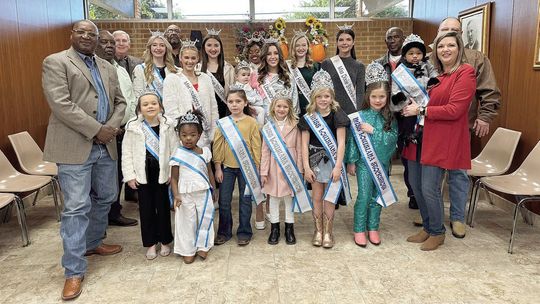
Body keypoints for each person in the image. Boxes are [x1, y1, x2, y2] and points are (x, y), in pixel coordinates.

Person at [42, 20, 126, 300]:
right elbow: (61, 104)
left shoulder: (107, 66)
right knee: (77, 207)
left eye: (92, 33)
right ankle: (73, 271)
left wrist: (110, 128)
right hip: (74, 146)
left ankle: (92, 243)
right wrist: (96, 130)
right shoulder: (56, 62)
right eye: (82, 32)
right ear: (72, 35)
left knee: (107, 196)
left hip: (105, 145)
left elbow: (121, 102)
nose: (87, 37)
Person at [403, 31, 476, 251]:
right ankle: (427, 225)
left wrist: (422, 109)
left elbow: (455, 110)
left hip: (440, 139)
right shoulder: (437, 76)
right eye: (441, 46)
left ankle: (437, 231)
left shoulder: (465, 73)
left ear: (459, 48)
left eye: (451, 45)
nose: (445, 49)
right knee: (416, 184)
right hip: (420, 137)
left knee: (429, 188)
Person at [429, 17, 502, 237]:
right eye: (444, 31)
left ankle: (458, 217)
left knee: (457, 174)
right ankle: (432, 213)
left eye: (454, 32)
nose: (448, 39)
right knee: (431, 176)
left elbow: (489, 90)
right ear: (437, 34)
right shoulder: (430, 60)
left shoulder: (475, 60)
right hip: (432, 128)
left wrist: (485, 116)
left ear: (461, 35)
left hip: (461, 127)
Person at [345, 62, 398, 247]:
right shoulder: (360, 115)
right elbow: (352, 139)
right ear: (368, 96)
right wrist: (351, 160)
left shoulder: (389, 117)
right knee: (364, 196)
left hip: (381, 163)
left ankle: (373, 227)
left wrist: (374, 131)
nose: (378, 100)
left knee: (378, 196)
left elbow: (393, 138)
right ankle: (359, 229)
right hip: (363, 164)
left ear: (387, 97)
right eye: (374, 96)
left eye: (381, 96)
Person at [122, 91, 177, 259]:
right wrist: (129, 175)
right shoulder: (133, 127)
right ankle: (151, 243)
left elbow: (174, 150)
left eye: (154, 103)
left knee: (163, 208)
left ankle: (165, 241)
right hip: (142, 175)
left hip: (162, 173)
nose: (150, 106)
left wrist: (172, 173)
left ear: (160, 106)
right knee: (145, 210)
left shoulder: (168, 126)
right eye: (145, 104)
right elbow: (127, 153)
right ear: (139, 109)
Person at [299, 70, 351, 249]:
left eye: (326, 96)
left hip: (332, 162)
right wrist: (306, 167)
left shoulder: (338, 115)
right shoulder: (308, 118)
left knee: (330, 197)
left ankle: (329, 231)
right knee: (317, 196)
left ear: (332, 97)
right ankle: (318, 230)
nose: (323, 99)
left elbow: (342, 143)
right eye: (319, 96)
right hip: (314, 161)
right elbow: (304, 145)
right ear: (314, 98)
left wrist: (338, 167)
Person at [95, 30, 138, 227]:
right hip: (107, 131)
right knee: (108, 178)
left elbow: (126, 99)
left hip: (124, 128)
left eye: (114, 42)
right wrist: (115, 126)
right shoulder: (95, 68)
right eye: (106, 42)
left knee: (118, 173)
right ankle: (109, 214)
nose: (111, 46)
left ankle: (114, 211)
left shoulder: (118, 69)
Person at [252, 39, 297, 229]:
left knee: (282, 172)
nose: (272, 57)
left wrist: (290, 126)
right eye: (269, 54)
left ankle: (282, 215)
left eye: (275, 53)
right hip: (265, 130)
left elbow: (294, 104)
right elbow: (251, 102)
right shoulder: (257, 78)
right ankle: (265, 209)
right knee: (266, 171)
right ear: (264, 56)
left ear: (280, 56)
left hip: (284, 131)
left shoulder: (288, 76)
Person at [374, 27, 418, 210]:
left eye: (396, 37)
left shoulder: (413, 62)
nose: (392, 40)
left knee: (408, 156)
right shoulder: (377, 64)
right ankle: (379, 191)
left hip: (407, 116)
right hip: (385, 115)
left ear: (403, 39)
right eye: (389, 38)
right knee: (381, 152)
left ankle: (414, 193)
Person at [213, 88, 263, 246]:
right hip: (227, 168)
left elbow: (256, 146)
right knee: (225, 201)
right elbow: (218, 146)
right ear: (226, 103)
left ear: (245, 103)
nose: (234, 105)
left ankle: (244, 232)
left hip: (246, 169)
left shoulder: (252, 122)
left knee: (245, 200)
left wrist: (257, 167)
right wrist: (218, 167)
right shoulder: (223, 123)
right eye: (231, 102)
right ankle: (224, 232)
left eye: (238, 101)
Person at [170, 110, 217, 264]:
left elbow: (209, 172)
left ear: (200, 134)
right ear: (179, 135)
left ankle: (203, 246)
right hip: (184, 194)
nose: (188, 138)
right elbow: (174, 178)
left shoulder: (205, 152)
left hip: (203, 191)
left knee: (205, 217)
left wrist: (213, 189)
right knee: (187, 221)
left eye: (192, 135)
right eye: (184, 135)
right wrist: (176, 195)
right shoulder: (178, 154)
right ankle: (187, 249)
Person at [260, 94, 304, 245]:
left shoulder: (295, 125)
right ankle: (275, 229)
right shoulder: (268, 127)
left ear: (290, 108)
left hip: (290, 166)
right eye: (279, 106)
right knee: (274, 198)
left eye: (285, 106)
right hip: (273, 166)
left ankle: (289, 229)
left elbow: (299, 148)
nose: (281, 109)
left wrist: (299, 170)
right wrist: (264, 172)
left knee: (288, 198)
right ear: (273, 107)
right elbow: (265, 151)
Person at [162, 40, 219, 149]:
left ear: (198, 59)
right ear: (180, 58)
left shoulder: (205, 78)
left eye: (193, 58)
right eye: (186, 58)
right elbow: (170, 110)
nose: (190, 61)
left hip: (204, 133)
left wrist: (213, 131)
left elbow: (213, 107)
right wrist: (182, 133)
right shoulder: (172, 79)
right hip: (184, 136)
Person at [321, 25, 365, 115]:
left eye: (348, 39)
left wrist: (358, 113)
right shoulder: (327, 64)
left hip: (351, 112)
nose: (344, 43)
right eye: (341, 40)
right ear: (337, 43)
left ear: (353, 43)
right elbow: (321, 90)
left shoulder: (359, 66)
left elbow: (360, 93)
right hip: (331, 110)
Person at [199, 28, 235, 118]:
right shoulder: (197, 68)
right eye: (209, 45)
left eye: (216, 45)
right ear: (204, 47)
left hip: (225, 111)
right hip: (205, 111)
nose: (213, 49)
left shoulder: (229, 68)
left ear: (220, 47)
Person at [133, 33, 178, 100]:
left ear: (166, 49)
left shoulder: (175, 70)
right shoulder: (140, 69)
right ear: (150, 48)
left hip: (171, 109)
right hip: (149, 108)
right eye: (154, 45)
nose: (158, 48)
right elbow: (137, 95)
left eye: (162, 45)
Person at [287, 31, 320, 116]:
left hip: (312, 109)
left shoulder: (316, 66)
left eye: (303, 45)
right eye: (297, 45)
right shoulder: (287, 67)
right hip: (292, 110)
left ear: (308, 47)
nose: (301, 48)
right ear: (293, 48)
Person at [234, 61, 265, 126]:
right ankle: (260, 127)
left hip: (252, 105)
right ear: (236, 77)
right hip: (243, 108)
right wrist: (253, 99)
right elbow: (242, 97)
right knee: (261, 110)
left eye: (248, 75)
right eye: (243, 75)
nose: (246, 77)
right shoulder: (236, 87)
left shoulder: (248, 85)